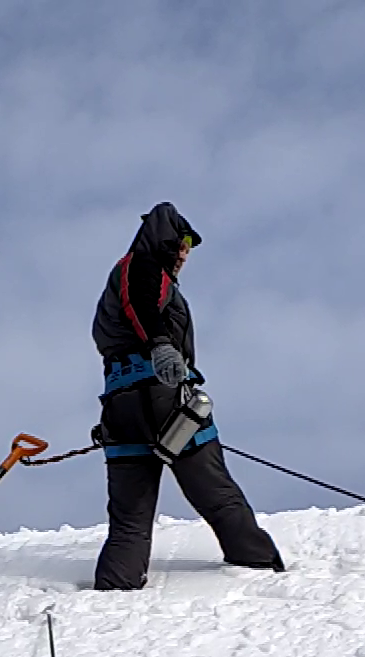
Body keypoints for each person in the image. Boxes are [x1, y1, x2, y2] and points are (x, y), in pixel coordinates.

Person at [89, 202, 284, 590]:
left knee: (130, 517)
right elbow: (140, 306)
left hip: (121, 409)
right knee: (215, 492)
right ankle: (259, 568)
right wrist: (161, 343)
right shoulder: (141, 267)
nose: (183, 256)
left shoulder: (131, 276)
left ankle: (114, 592)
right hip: (164, 400)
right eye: (181, 246)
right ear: (164, 241)